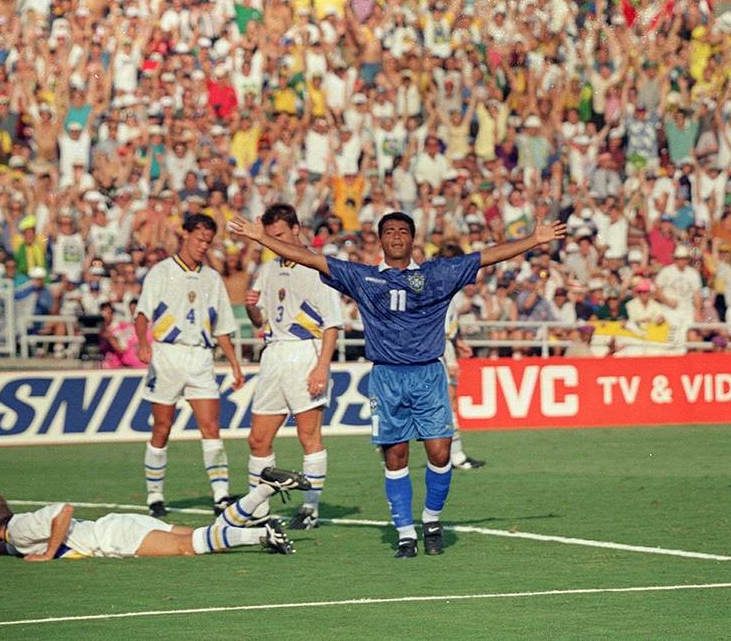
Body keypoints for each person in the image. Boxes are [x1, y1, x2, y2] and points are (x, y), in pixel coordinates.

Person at [231, 212, 566, 558]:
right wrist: (262, 239)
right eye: (389, 231)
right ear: (380, 240)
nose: (396, 236)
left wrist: (534, 240)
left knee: (440, 451)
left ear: (412, 239)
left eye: (402, 231)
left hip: (429, 376)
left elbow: (487, 256)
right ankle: (406, 533)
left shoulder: (437, 274)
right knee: (396, 456)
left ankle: (431, 519)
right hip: (387, 378)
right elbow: (310, 258)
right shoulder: (362, 278)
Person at [135, 213, 246, 518]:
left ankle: (221, 494)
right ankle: (155, 494)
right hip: (167, 355)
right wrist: (143, 342)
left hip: (200, 357)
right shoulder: (160, 272)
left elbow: (222, 326)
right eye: (199, 239)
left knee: (211, 427)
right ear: (185, 235)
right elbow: (142, 313)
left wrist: (235, 365)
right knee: (162, 427)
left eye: (208, 242)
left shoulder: (211, 278)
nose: (203, 246)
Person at [0, 467, 310, 561]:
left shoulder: (21, 528)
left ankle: (262, 535)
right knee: (205, 534)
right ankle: (262, 489)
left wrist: (48, 554)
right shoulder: (14, 536)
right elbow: (9, 548)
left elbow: (63, 511)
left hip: (114, 538)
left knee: (193, 547)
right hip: (119, 524)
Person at [243, 204, 344, 530]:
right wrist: (251, 310)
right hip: (273, 353)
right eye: (270, 237)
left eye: (281, 235)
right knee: (258, 439)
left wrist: (321, 367)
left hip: (305, 353)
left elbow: (332, 323)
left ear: (297, 230)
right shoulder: (269, 268)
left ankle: (309, 509)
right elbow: (261, 318)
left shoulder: (317, 267)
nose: (275, 241)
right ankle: (258, 512)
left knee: (308, 436)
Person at [438, 244, 485, 470]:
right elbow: (441, 332)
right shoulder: (445, 292)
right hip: (440, 357)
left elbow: (448, 330)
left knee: (444, 405)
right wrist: (452, 360)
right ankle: (456, 456)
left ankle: (454, 455)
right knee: (449, 403)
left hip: (442, 352)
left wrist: (459, 343)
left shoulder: (445, 289)